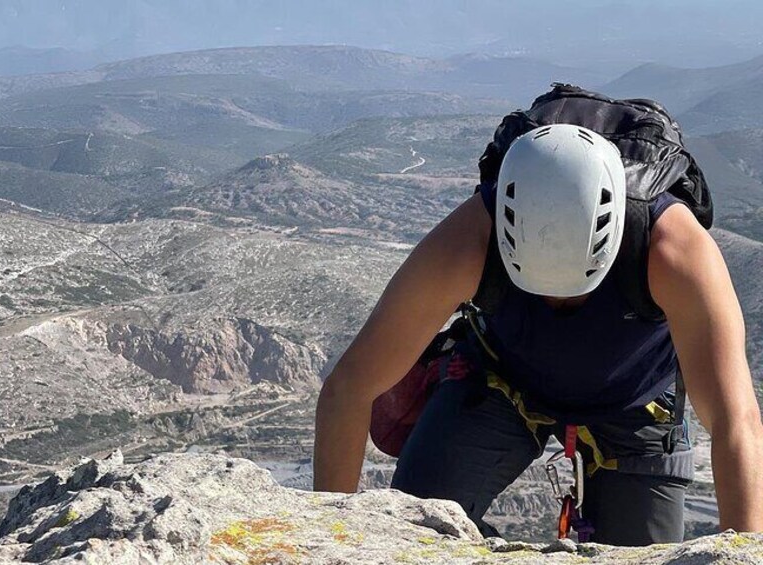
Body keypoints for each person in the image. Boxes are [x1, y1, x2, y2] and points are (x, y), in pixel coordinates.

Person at [313, 122, 763, 546]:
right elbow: (351, 387)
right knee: (415, 522)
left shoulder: (673, 250)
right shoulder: (469, 239)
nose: (556, 305)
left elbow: (735, 421)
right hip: (502, 381)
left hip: (636, 401)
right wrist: (330, 541)